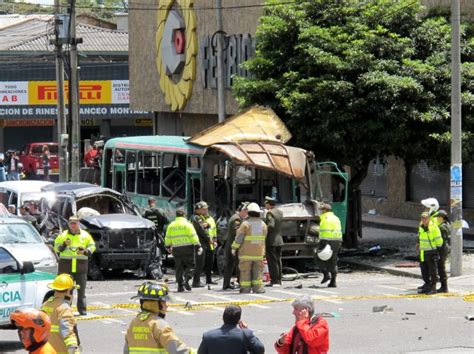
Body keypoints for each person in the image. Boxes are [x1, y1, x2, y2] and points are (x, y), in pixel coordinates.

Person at [124, 281, 193, 354]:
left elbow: (126, 351)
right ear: (155, 304)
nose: (166, 306)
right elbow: (178, 351)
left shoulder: (133, 323)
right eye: (164, 302)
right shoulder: (160, 325)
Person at [54, 216, 96, 315]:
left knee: (81, 291)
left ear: (78, 224)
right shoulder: (63, 235)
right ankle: (66, 309)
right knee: (67, 291)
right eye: (71, 223)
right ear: (68, 224)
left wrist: (85, 251)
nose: (73, 225)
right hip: (66, 267)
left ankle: (82, 310)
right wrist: (64, 245)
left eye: (75, 223)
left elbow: (92, 246)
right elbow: (56, 248)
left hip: (80, 267)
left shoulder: (85, 235)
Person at [197, 304, 265, 354]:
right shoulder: (245, 334)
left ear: (223, 318)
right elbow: (260, 349)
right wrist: (246, 330)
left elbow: (200, 352)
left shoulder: (208, 336)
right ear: (238, 320)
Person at [231, 202, 267, 294]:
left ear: (249, 212)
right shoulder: (263, 224)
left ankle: (245, 289)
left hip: (246, 254)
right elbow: (265, 236)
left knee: (245, 272)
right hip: (259, 253)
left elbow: (239, 238)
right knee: (257, 273)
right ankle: (258, 289)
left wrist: (234, 248)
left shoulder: (245, 224)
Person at [41, 273, 80, 354]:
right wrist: (73, 349)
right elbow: (67, 331)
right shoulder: (64, 308)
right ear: (68, 290)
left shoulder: (46, 304)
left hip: (47, 350)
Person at [165, 208, 202, 292]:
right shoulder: (188, 224)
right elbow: (193, 236)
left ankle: (180, 286)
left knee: (179, 268)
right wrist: (198, 245)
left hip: (176, 249)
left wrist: (168, 246)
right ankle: (186, 280)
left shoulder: (171, 225)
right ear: (184, 215)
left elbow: (168, 237)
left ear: (176, 216)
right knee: (191, 265)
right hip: (187, 248)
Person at [223, 202, 248, 290]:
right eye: (246, 211)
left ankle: (227, 284)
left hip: (231, 244)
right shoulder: (236, 219)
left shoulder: (236, 217)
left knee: (230, 265)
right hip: (233, 245)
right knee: (236, 264)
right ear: (243, 211)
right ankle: (238, 283)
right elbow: (237, 232)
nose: (247, 214)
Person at [316, 203, 342, 288]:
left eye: (321, 210)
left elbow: (323, 233)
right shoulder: (336, 218)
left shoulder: (324, 219)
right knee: (333, 261)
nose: (320, 211)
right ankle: (333, 281)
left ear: (324, 210)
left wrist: (322, 243)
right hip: (337, 241)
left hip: (327, 241)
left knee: (317, 257)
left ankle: (326, 274)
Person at [192, 201, 218, 287]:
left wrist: (214, 239)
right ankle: (196, 281)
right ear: (198, 209)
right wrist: (209, 239)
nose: (206, 210)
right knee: (199, 263)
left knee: (208, 262)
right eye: (204, 209)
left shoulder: (206, 218)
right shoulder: (197, 218)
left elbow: (212, 230)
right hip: (200, 243)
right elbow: (202, 230)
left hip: (208, 243)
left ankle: (208, 280)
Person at [417, 212, 443, 295]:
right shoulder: (421, 226)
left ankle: (433, 288)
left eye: (425, 218)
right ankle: (427, 284)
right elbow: (419, 236)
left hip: (431, 252)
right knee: (424, 270)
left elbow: (439, 241)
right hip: (423, 252)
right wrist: (418, 244)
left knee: (432, 271)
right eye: (422, 218)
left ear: (429, 218)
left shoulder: (433, 227)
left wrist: (437, 250)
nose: (423, 220)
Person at [264, 196, 284, 287]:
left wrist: (264, 230)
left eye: (266, 204)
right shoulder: (280, 212)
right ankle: (279, 279)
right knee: (278, 259)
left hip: (271, 240)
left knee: (272, 261)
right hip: (279, 239)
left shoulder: (270, 213)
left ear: (269, 204)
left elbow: (271, 225)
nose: (265, 205)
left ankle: (274, 280)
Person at [434, 210, 450, 293]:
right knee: (441, 267)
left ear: (441, 218)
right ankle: (444, 287)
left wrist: (438, 250)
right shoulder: (446, 225)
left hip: (442, 249)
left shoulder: (442, 227)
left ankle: (444, 287)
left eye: (437, 217)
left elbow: (442, 241)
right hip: (445, 248)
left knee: (441, 268)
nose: (436, 218)